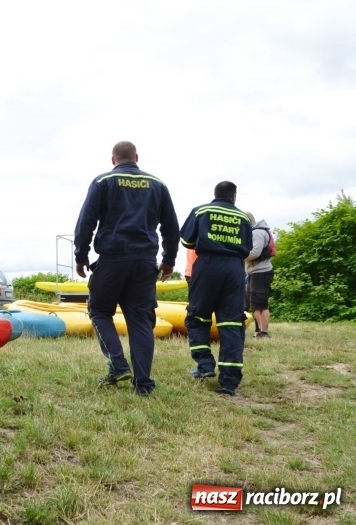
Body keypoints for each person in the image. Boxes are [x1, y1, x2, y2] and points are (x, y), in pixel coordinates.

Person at [74, 141, 179, 396]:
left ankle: (118, 364)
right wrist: (169, 260)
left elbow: (86, 221)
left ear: (113, 160)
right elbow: (171, 227)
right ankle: (143, 384)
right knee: (141, 321)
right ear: (137, 158)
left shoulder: (103, 182)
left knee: (99, 311)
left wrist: (81, 255)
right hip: (145, 262)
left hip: (112, 258)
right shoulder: (158, 184)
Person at [180, 181, 252, 396]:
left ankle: (205, 365)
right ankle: (229, 383)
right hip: (235, 269)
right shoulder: (243, 218)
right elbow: (247, 249)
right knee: (231, 323)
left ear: (215, 194)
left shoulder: (202, 211)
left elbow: (186, 240)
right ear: (234, 197)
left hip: (208, 266)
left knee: (197, 317)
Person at [245, 212, 274, 338]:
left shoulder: (257, 233)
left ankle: (264, 332)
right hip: (255, 272)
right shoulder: (257, 232)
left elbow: (255, 253)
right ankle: (259, 331)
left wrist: (238, 255)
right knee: (256, 304)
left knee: (261, 304)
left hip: (261, 272)